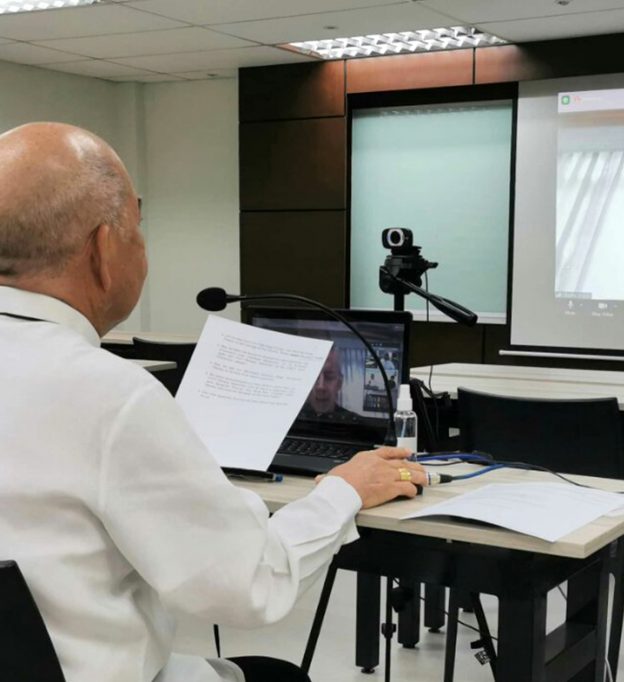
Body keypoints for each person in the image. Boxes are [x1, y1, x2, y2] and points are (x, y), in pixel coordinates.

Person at [0, 123, 427, 682]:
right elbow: (248, 585)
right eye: (139, 230)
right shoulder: (108, 394)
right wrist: (343, 491)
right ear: (104, 251)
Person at [298, 345, 362, 423]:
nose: (321, 387)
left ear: (339, 383)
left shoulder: (357, 426)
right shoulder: (286, 421)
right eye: (314, 376)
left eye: (329, 377)